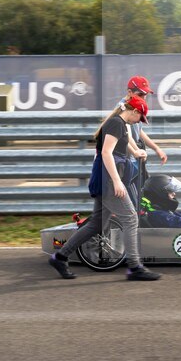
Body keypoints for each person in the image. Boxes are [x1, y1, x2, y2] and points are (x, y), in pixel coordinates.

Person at [48, 95, 161, 281]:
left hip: (106, 178)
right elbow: (106, 152)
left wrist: (135, 151)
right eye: (140, 117)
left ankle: (60, 257)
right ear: (134, 111)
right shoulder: (116, 123)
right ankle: (135, 268)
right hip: (109, 179)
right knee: (131, 219)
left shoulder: (120, 123)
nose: (139, 121)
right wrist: (117, 181)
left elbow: (118, 147)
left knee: (96, 224)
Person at [118, 76, 167, 198]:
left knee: (141, 191)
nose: (144, 98)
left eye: (145, 95)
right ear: (129, 92)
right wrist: (136, 151)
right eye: (140, 94)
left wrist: (156, 148)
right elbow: (125, 134)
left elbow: (139, 131)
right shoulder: (122, 108)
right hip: (127, 158)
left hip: (135, 156)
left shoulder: (137, 106)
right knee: (131, 195)